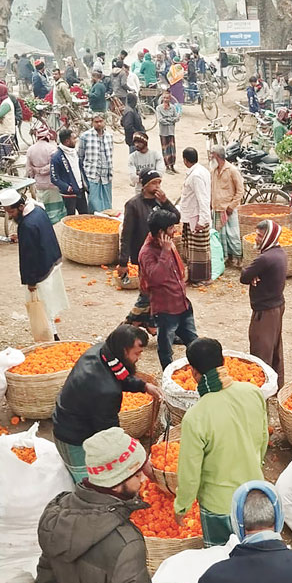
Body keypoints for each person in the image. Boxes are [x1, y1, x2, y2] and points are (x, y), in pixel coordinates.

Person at [35, 426, 168, 583]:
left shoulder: (59, 519)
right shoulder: (127, 545)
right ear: (116, 484)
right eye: (136, 475)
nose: (143, 480)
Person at [175, 337, 268, 546]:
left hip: (219, 507)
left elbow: (190, 473)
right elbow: (263, 440)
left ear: (194, 372)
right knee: (251, 557)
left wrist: (182, 506)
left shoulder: (196, 416)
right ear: (223, 362)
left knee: (221, 560)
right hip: (253, 496)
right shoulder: (252, 393)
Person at [51, 325, 161, 480]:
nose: (139, 358)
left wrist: (144, 386)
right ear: (123, 351)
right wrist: (139, 458)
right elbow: (110, 435)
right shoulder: (105, 390)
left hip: (75, 421)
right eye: (137, 353)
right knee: (88, 483)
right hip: (73, 438)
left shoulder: (102, 353)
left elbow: (120, 375)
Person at [0, 189, 69, 338]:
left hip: (40, 271)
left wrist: (30, 281)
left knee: (42, 308)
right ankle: (54, 334)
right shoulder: (37, 210)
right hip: (51, 261)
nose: (10, 216)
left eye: (11, 212)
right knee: (49, 306)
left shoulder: (27, 226)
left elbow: (28, 256)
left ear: (19, 206)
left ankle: (52, 339)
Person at [118, 170, 179, 331]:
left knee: (157, 291)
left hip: (163, 252)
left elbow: (176, 217)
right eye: (153, 183)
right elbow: (126, 234)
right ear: (144, 185)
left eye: (159, 182)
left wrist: (166, 202)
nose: (157, 186)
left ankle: (150, 323)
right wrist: (123, 262)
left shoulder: (161, 202)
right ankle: (129, 324)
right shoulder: (133, 205)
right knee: (148, 290)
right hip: (144, 254)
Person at [139, 207, 198, 368]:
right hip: (165, 310)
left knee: (194, 343)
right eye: (171, 228)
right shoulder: (147, 253)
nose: (174, 231)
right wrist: (165, 252)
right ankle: (167, 375)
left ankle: (198, 370)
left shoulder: (168, 244)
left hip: (182, 304)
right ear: (160, 232)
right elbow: (156, 278)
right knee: (165, 348)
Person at [240, 220, 287, 385]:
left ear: (269, 237)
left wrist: (250, 272)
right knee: (275, 348)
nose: (256, 239)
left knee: (261, 350)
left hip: (265, 311)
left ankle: (262, 387)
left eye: (260, 236)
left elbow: (244, 276)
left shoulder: (265, 259)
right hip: (277, 306)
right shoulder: (279, 253)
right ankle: (277, 384)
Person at [179, 147, 213, 285]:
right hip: (192, 215)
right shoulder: (201, 171)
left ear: (185, 160)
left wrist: (203, 219)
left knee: (199, 250)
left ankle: (201, 278)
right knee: (192, 249)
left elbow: (203, 198)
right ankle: (194, 276)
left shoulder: (196, 176)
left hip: (196, 216)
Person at [209, 145, 244, 267]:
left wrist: (231, 206)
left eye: (212, 154)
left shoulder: (232, 170)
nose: (210, 157)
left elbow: (240, 191)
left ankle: (238, 258)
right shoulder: (213, 171)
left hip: (228, 209)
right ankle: (226, 258)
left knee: (233, 235)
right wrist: (210, 204)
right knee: (220, 236)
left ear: (217, 156)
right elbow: (212, 188)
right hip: (217, 209)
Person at [26, 124, 65, 224]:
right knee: (55, 210)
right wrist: (43, 170)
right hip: (52, 184)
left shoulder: (30, 149)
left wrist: (36, 172)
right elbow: (54, 166)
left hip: (39, 184)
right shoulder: (52, 149)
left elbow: (29, 169)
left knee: (43, 206)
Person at [78, 114, 114, 213]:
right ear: (92, 123)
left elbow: (110, 156)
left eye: (101, 121)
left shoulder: (109, 136)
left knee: (107, 202)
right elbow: (80, 157)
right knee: (93, 202)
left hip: (106, 174)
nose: (99, 124)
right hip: (92, 174)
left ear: (104, 122)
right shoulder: (85, 136)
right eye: (96, 122)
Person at [50, 128, 88, 215]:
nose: (76, 141)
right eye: (73, 139)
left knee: (85, 216)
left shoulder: (75, 153)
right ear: (67, 141)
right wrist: (67, 187)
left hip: (80, 191)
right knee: (70, 219)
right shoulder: (57, 157)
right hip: (69, 195)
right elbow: (54, 178)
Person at [155, 92, 179, 173]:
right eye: (164, 98)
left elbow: (177, 118)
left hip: (171, 131)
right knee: (165, 149)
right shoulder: (159, 108)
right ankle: (167, 167)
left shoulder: (173, 108)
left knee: (172, 149)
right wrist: (171, 120)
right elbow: (160, 120)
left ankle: (172, 166)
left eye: (167, 98)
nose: (165, 100)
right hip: (163, 132)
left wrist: (168, 119)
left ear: (170, 99)